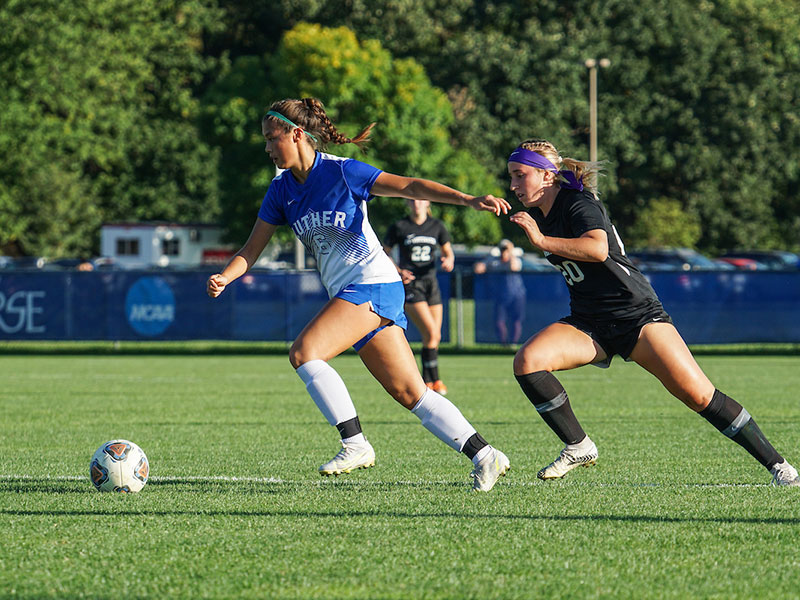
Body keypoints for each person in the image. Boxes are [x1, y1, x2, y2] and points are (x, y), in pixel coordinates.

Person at [207, 97, 511, 491]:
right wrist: (226, 276)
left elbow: (409, 185)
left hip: (372, 283)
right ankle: (485, 455)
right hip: (357, 293)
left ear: (297, 134)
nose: (266, 147)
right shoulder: (280, 191)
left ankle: (354, 442)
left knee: (304, 353)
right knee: (411, 393)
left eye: (271, 138)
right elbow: (250, 250)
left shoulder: (342, 172)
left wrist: (467, 200)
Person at [505, 138, 799, 486]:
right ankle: (578, 445)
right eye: (511, 176)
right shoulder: (541, 214)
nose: (512, 185)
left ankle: (780, 466)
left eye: (519, 175)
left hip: (636, 316)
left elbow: (597, 249)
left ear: (546, 175)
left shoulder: (577, 203)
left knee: (699, 395)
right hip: (589, 321)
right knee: (528, 362)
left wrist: (540, 241)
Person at [383, 199, 453, 395]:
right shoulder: (400, 226)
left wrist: (449, 259)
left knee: (433, 337)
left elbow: (448, 250)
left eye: (420, 199)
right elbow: (384, 253)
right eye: (412, 200)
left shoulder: (437, 225)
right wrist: (397, 270)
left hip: (431, 283)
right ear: (407, 203)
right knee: (431, 333)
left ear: (427, 202)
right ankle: (433, 381)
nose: (417, 203)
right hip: (412, 284)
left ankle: (430, 382)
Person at [473, 239, 526, 346]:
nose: (504, 252)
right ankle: (503, 344)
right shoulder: (494, 261)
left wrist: (511, 253)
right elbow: (478, 269)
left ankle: (513, 343)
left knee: (516, 320)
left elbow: (513, 267)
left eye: (506, 249)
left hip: (517, 294)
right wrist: (487, 258)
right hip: (501, 295)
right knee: (499, 321)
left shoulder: (516, 260)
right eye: (502, 249)